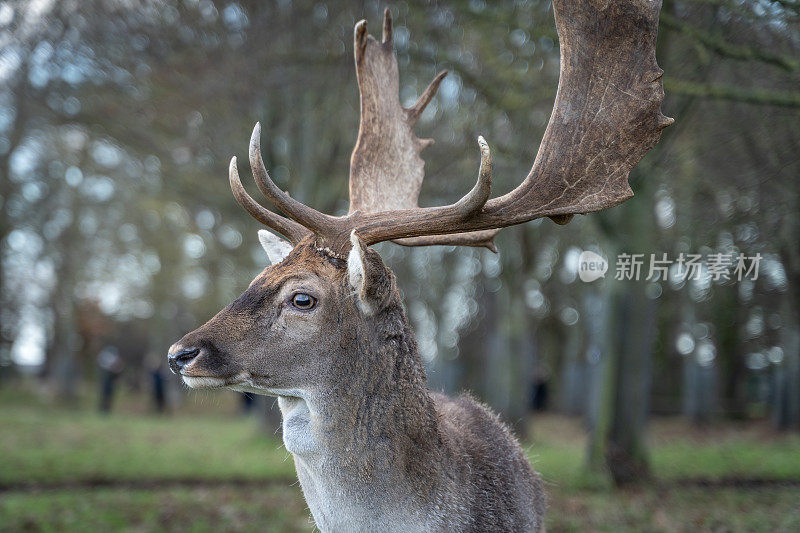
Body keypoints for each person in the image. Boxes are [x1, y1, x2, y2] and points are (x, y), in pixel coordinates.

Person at [97, 345, 124, 413]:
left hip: (111, 379)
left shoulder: (116, 359)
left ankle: (107, 409)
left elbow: (119, 370)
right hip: (106, 378)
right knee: (104, 394)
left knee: (109, 395)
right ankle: (102, 408)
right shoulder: (105, 358)